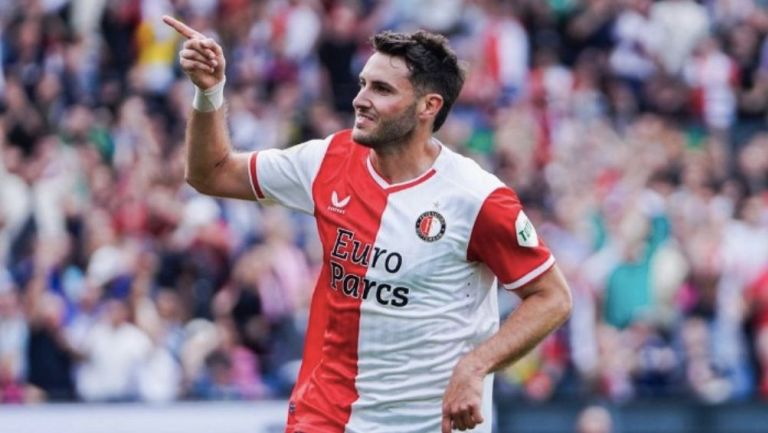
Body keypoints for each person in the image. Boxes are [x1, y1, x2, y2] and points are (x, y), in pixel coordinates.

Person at [163, 15, 572, 433]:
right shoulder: (327, 161)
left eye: (382, 89)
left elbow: (552, 297)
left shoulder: (476, 198)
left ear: (428, 106)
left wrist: (476, 366)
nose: (361, 99)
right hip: (326, 416)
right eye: (363, 83)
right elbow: (210, 173)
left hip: (432, 424)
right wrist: (209, 92)